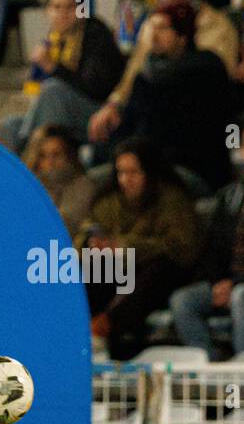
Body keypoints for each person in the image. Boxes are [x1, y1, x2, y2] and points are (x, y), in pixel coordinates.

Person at [77, 137, 201, 359]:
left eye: (134, 172)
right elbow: (88, 229)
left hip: (161, 276)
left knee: (156, 271)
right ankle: (77, 327)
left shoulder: (172, 200)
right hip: (115, 274)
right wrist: (92, 243)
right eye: (121, 172)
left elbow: (183, 249)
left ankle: (104, 325)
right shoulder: (108, 201)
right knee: (88, 265)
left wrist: (126, 247)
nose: (126, 180)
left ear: (149, 172)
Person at [169, 120, 244, 358]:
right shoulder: (227, 196)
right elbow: (211, 247)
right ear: (241, 149)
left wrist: (237, 282)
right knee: (183, 301)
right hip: (228, 280)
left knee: (242, 295)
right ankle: (211, 365)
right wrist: (217, 281)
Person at [88, 0, 237, 147]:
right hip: (149, 113)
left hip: (195, 116)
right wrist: (113, 105)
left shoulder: (217, 24)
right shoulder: (152, 23)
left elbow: (218, 79)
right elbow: (133, 73)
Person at [110, 2, 233, 192]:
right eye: (152, 26)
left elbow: (204, 134)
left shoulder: (206, 70)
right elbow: (128, 125)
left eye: (163, 28)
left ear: (182, 36)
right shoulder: (145, 75)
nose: (154, 35)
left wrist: (149, 162)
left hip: (190, 169)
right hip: (142, 167)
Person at [0, 0, 124, 153]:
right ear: (47, 12)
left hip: (101, 113)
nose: (63, 13)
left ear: (81, 10)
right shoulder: (53, 40)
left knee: (53, 91)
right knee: (10, 125)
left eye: (70, 7)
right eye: (56, 7)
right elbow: (34, 87)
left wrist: (52, 66)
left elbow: (95, 88)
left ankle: (30, 156)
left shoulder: (95, 33)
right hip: (65, 112)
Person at [22, 124, 96, 233]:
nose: (50, 162)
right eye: (43, 156)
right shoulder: (27, 185)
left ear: (69, 155)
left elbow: (64, 226)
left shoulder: (83, 185)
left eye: (56, 155)